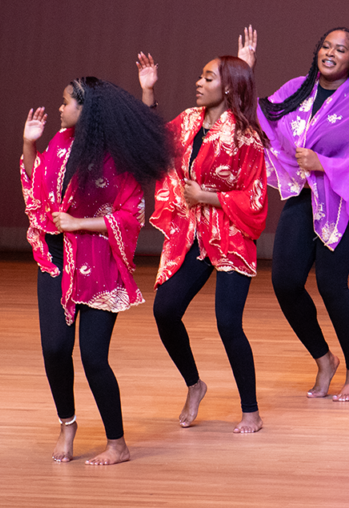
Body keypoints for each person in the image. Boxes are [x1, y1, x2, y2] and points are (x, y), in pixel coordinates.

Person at [20, 77, 169, 464]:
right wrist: (29, 145)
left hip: (98, 262)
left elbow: (131, 214)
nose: (59, 109)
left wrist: (79, 224)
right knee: (54, 349)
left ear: (87, 110)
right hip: (54, 259)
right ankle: (67, 423)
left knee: (93, 357)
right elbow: (39, 190)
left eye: (66, 102)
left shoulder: (116, 157)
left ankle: (117, 443)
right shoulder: (59, 142)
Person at [257, 27, 349, 402]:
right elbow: (260, 118)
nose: (330, 53)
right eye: (326, 45)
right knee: (285, 283)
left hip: (345, 201)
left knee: (330, 283)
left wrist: (324, 163)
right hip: (306, 198)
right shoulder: (295, 89)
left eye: (341, 49)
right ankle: (324, 359)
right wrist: (245, 67)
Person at [136, 28, 269, 432]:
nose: (199, 82)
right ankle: (195, 384)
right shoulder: (188, 121)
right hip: (191, 234)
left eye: (208, 77)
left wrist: (210, 197)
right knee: (165, 311)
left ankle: (251, 411)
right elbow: (153, 142)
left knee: (228, 322)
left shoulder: (246, 138)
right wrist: (147, 92)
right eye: (201, 76)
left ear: (229, 88)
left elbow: (257, 198)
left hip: (229, 233)